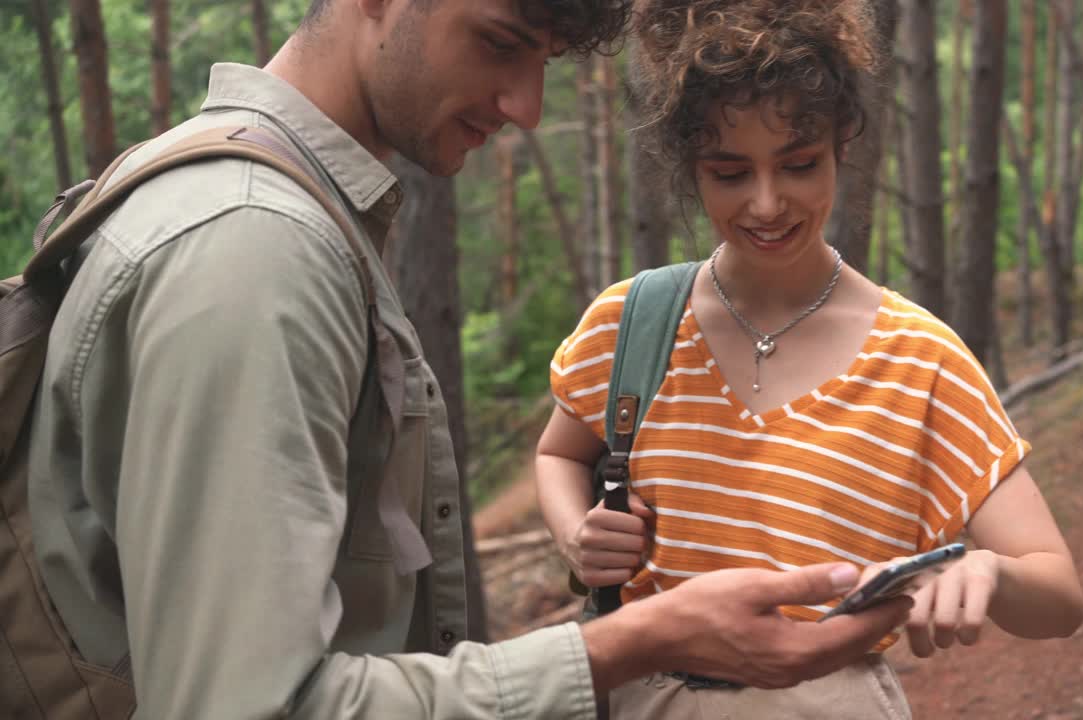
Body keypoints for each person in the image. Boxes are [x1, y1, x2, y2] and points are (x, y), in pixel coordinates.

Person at [26, 0, 913, 718]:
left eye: (545, 62)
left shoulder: (252, 204)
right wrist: (635, 643)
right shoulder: (254, 253)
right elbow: (245, 705)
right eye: (498, 42)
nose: (526, 105)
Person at [535, 0, 1083, 717]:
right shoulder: (630, 323)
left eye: (798, 164)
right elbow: (558, 456)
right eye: (730, 173)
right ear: (689, 167)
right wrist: (577, 535)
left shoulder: (921, 360)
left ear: (843, 145)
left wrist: (982, 568)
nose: (767, 204)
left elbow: (1061, 597)